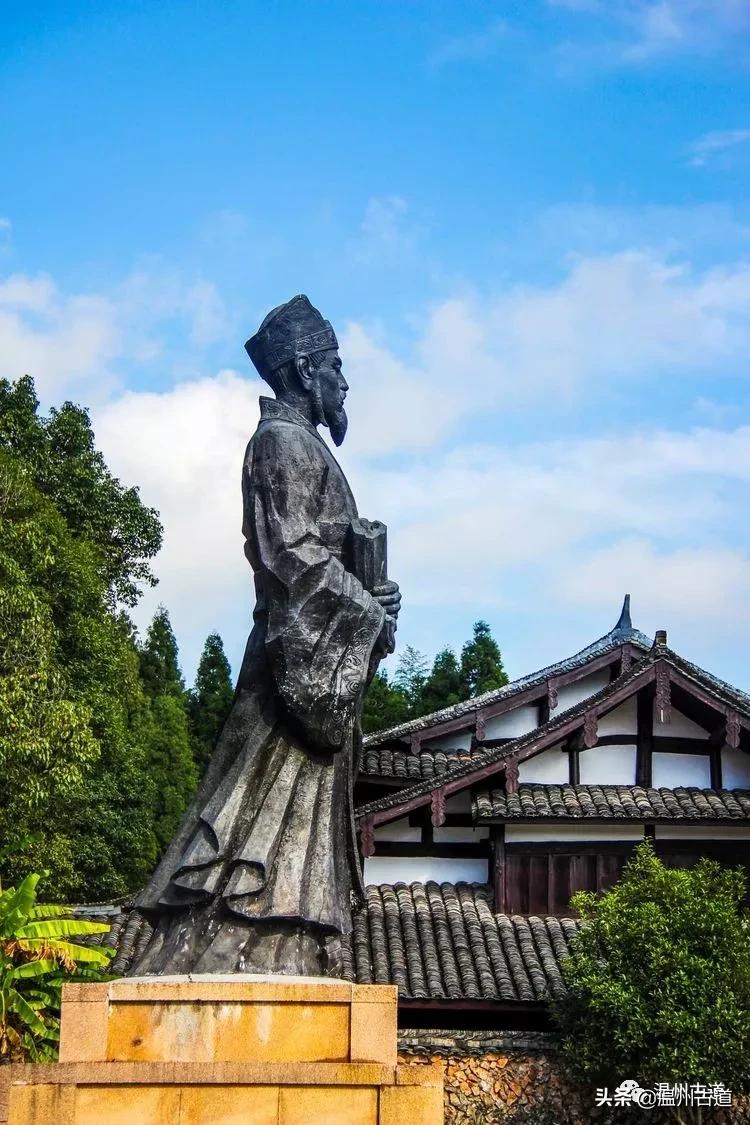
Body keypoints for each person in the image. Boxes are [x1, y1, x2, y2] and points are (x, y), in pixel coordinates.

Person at [131, 295, 400, 976]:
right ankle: (212, 939)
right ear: (307, 371)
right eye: (337, 365)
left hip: (318, 653)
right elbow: (290, 556)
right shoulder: (279, 442)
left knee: (292, 809)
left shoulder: (301, 444)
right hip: (292, 660)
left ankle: (283, 941)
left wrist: (373, 599)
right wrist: (363, 606)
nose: (345, 381)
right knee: (247, 804)